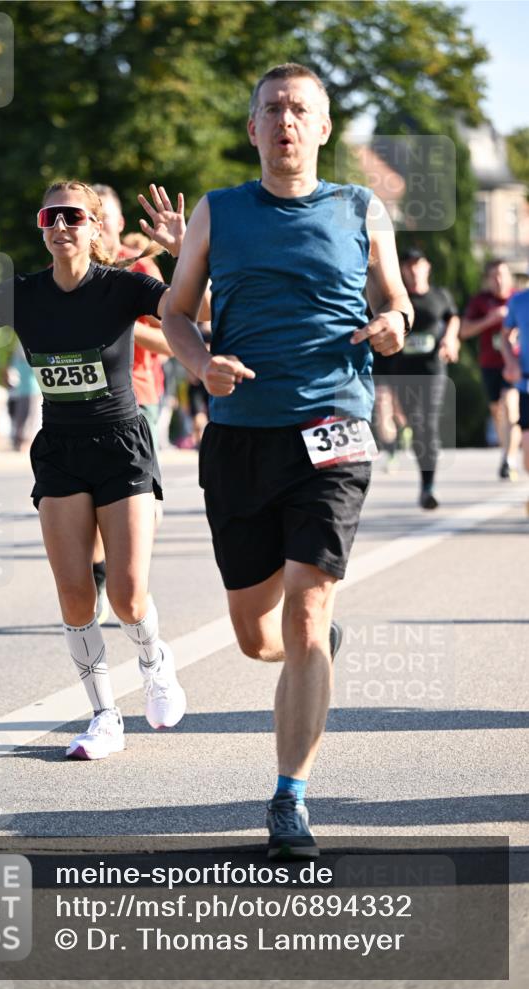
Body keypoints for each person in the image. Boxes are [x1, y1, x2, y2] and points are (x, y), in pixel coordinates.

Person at [161, 63, 411, 856]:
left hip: (333, 425)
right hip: (240, 435)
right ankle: (309, 652)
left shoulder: (359, 207)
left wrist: (393, 324)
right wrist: (200, 363)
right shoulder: (219, 210)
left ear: (323, 127)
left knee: (307, 607)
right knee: (254, 634)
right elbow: (174, 311)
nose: (285, 121)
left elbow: (395, 300)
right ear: (252, 128)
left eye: (300, 109)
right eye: (271, 109)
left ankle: (288, 797)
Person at [0, 183, 187, 761]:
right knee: (76, 595)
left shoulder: (123, 286)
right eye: (50, 216)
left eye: (73, 216)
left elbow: (199, 312)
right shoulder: (22, 294)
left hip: (122, 444)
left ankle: (154, 659)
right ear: (42, 227)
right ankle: (104, 716)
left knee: (128, 596)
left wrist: (186, 255)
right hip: (60, 448)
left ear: (94, 226)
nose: (61, 225)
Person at [88, 184, 179, 623]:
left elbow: (172, 341)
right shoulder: (65, 269)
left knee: (139, 505)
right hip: (82, 403)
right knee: (87, 503)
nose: (98, 227)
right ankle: (101, 573)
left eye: (105, 219)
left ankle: (128, 578)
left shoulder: (140, 265)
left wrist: (119, 322)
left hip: (137, 396)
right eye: (90, 219)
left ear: (120, 223)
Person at [393, 249, 460, 509]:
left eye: (417, 264)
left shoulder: (439, 295)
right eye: (408, 265)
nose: (413, 270)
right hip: (403, 371)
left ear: (427, 267)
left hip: (434, 370)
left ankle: (428, 487)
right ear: (402, 270)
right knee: (417, 425)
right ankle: (425, 481)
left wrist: (450, 338)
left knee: (428, 423)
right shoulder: (397, 298)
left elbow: (453, 317)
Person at [461, 260, 521, 479]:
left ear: (510, 277)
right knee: (497, 411)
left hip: (514, 364)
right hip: (490, 364)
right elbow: (464, 331)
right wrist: (490, 319)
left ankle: (510, 459)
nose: (498, 280)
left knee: (510, 405)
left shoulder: (519, 299)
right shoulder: (480, 301)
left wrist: (515, 331)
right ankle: (506, 451)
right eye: (494, 276)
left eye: (502, 275)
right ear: (487, 279)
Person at [500, 288, 529, 510]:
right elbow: (505, 337)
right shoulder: (518, 301)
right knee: (527, 444)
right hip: (526, 382)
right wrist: (511, 361)